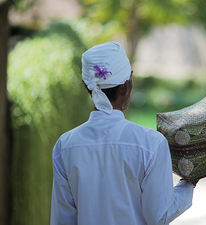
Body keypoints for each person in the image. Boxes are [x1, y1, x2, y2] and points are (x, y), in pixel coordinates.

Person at [50, 42, 195, 225]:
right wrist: (189, 184)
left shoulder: (65, 146)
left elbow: (63, 219)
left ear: (87, 87)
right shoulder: (151, 144)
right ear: (126, 87)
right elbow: (159, 216)